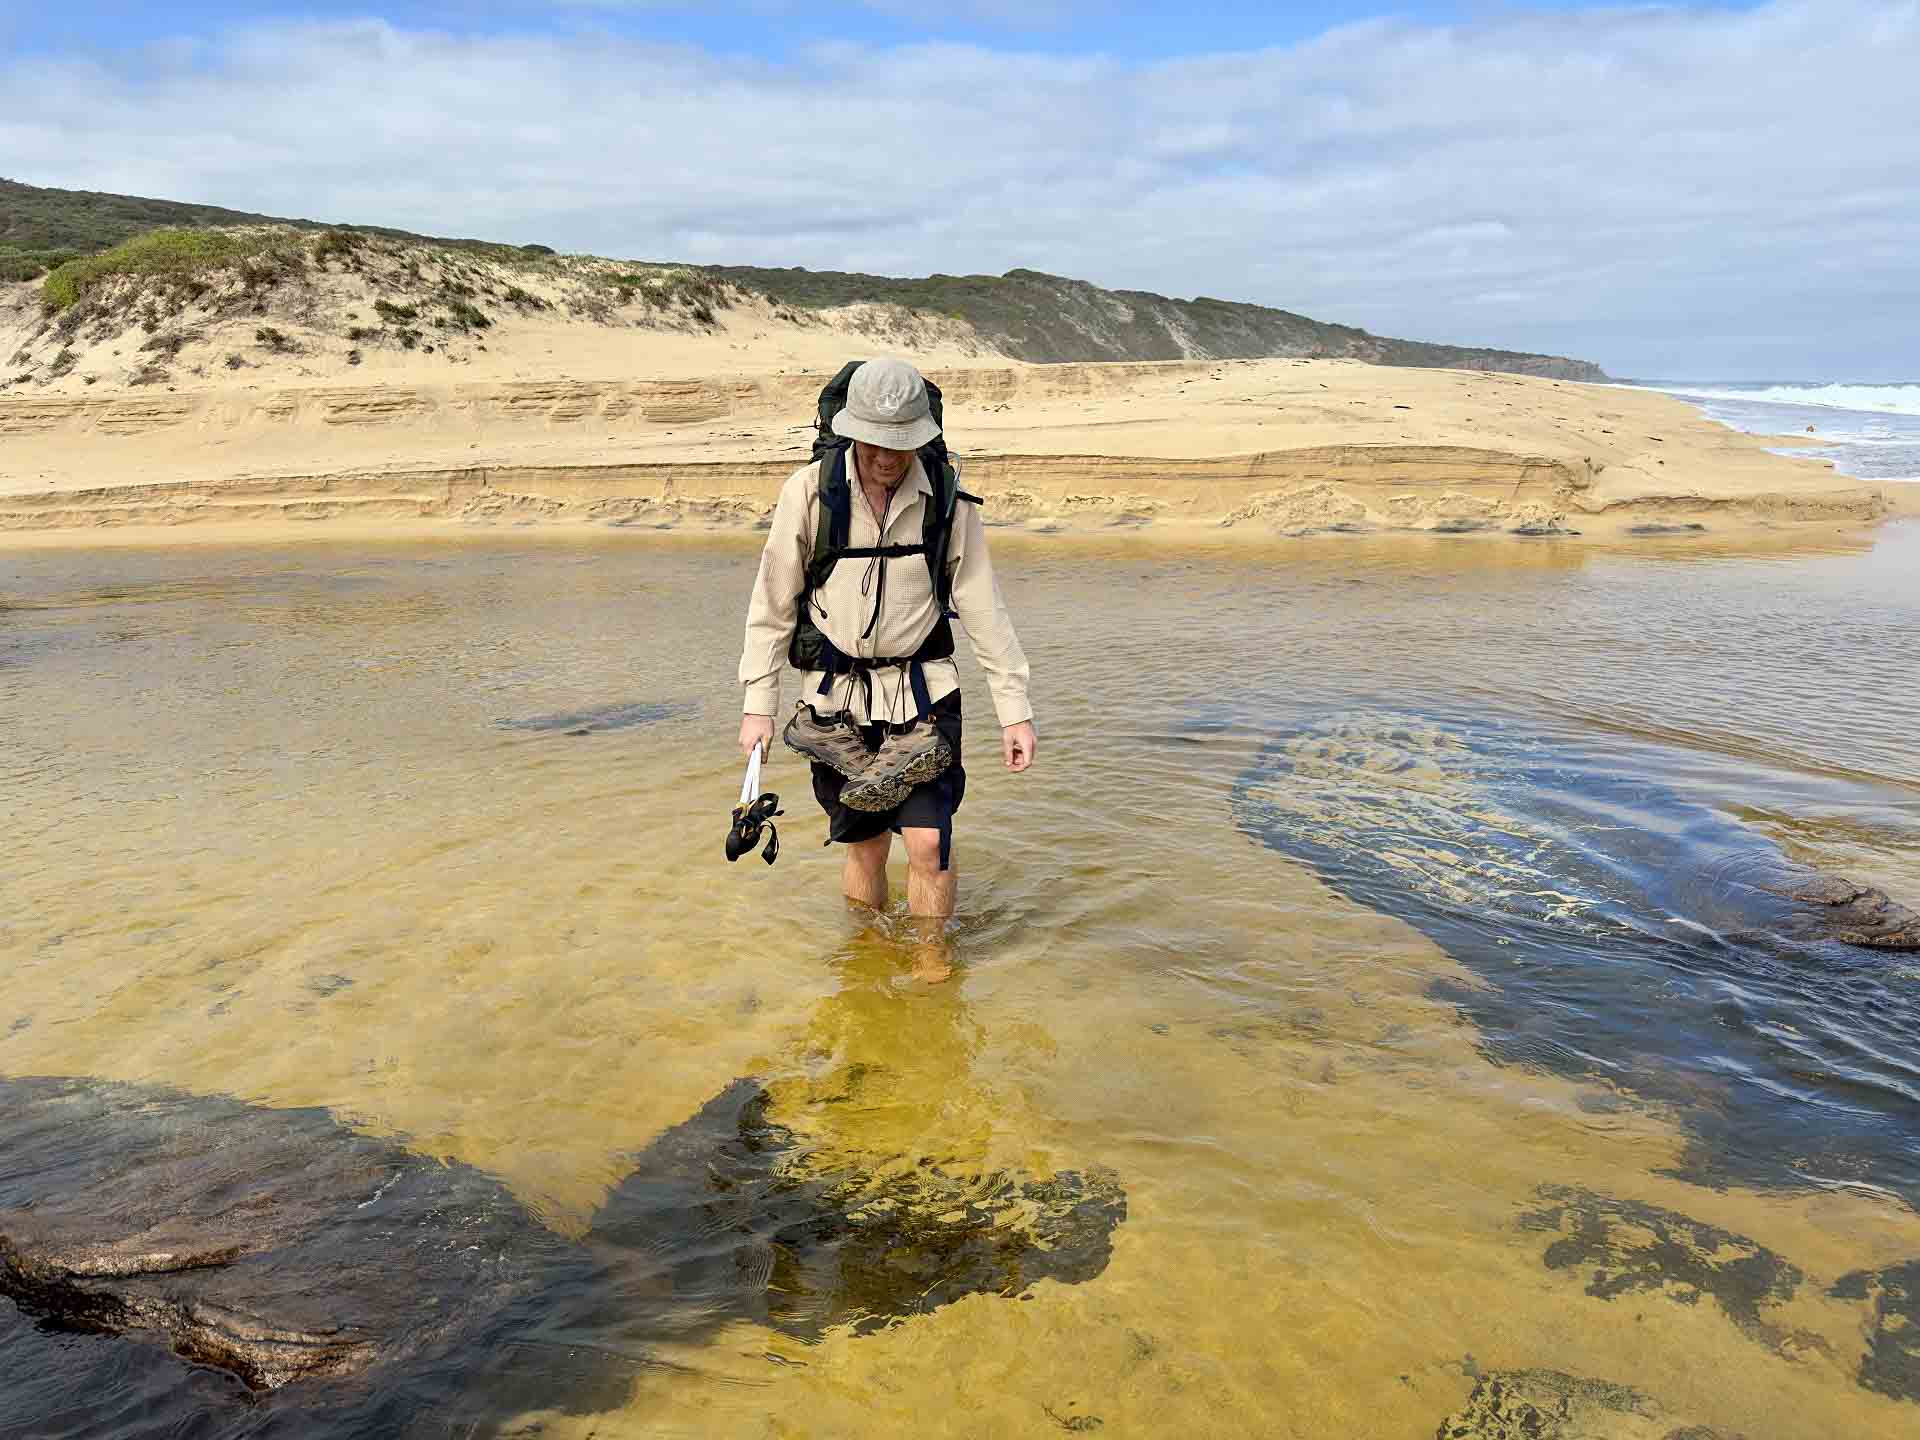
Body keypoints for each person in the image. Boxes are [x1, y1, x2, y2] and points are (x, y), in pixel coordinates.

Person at [737, 357, 1036, 939]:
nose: (886, 457)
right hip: (835, 705)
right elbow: (772, 603)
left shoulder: (947, 500)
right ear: (851, 430)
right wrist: (758, 706)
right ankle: (868, 960)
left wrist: (1014, 711)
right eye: (873, 441)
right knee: (867, 844)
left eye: (900, 443)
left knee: (929, 846)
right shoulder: (809, 493)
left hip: (924, 697)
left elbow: (984, 608)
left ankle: (933, 962)